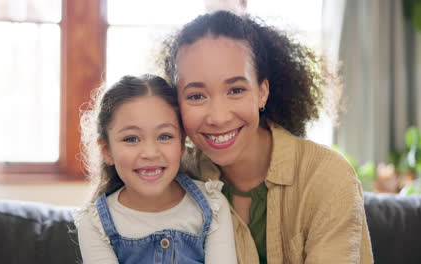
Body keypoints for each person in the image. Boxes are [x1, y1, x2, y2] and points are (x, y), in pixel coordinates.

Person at [159, 10, 374, 263]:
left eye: (236, 90)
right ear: (177, 103)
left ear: (262, 93)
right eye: (196, 96)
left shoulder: (327, 177)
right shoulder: (171, 175)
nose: (218, 117)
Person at [73, 74, 237, 264]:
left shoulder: (213, 206)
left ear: (182, 144)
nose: (150, 153)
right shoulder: (95, 223)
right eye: (131, 139)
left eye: (165, 136)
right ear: (107, 150)